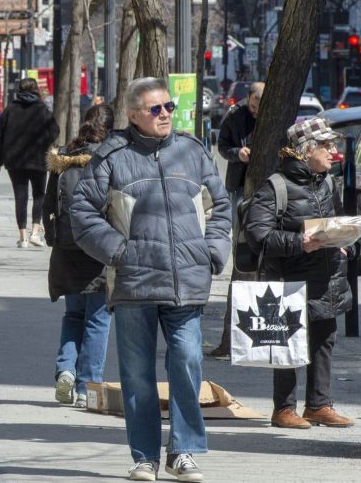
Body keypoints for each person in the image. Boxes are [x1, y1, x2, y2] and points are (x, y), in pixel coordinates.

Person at [70, 77, 231, 482]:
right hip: (134, 283)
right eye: (155, 109)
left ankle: (184, 451)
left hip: (187, 280)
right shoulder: (111, 155)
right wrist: (120, 253)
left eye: (168, 108)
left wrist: (212, 252)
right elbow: (82, 213)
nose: (165, 115)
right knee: (138, 375)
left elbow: (222, 206)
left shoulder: (191, 151)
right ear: (133, 115)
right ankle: (144, 457)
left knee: (188, 360)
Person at [245, 117, 354, 430]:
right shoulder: (277, 186)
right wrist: (298, 243)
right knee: (288, 343)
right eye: (326, 145)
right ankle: (284, 409)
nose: (333, 151)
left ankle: (319, 405)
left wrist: (344, 240)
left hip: (327, 278)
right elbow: (257, 234)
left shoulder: (327, 182)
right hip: (289, 280)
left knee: (324, 341)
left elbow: (335, 219)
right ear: (307, 151)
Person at [43, 104, 112, 409]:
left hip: (66, 250)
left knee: (73, 315)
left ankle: (66, 370)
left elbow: (47, 205)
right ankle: (87, 386)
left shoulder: (64, 159)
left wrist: (52, 239)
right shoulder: (109, 160)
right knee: (97, 320)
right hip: (99, 250)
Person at [211, 81, 265, 357]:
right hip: (238, 184)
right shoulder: (235, 115)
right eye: (254, 107)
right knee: (239, 236)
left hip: (263, 185)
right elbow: (222, 146)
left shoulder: (269, 114)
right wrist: (238, 154)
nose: (256, 112)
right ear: (248, 101)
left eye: (259, 108)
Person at [0, 78, 60, 248]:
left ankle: (23, 237)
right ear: (36, 89)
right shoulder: (42, 109)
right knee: (39, 195)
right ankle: (35, 233)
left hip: (15, 160)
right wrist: (44, 142)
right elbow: (54, 130)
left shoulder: (10, 109)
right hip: (38, 157)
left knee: (20, 196)